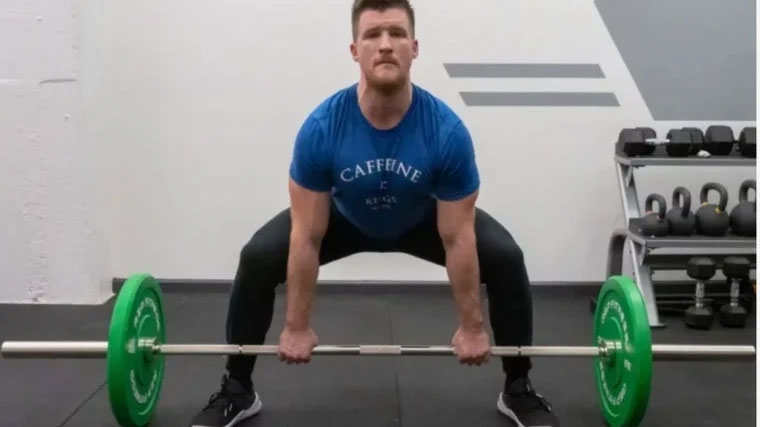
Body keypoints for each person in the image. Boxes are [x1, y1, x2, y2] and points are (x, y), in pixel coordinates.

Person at [189, 0, 559, 426]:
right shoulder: (322, 128)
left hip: (422, 218)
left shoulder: (446, 132)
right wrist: (296, 324)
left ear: (415, 48)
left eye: (397, 34)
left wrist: (473, 326)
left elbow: (457, 237)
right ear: (354, 50)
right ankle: (238, 389)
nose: (386, 45)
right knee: (257, 257)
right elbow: (308, 236)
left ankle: (518, 389)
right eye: (373, 35)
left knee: (506, 259)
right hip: (343, 218)